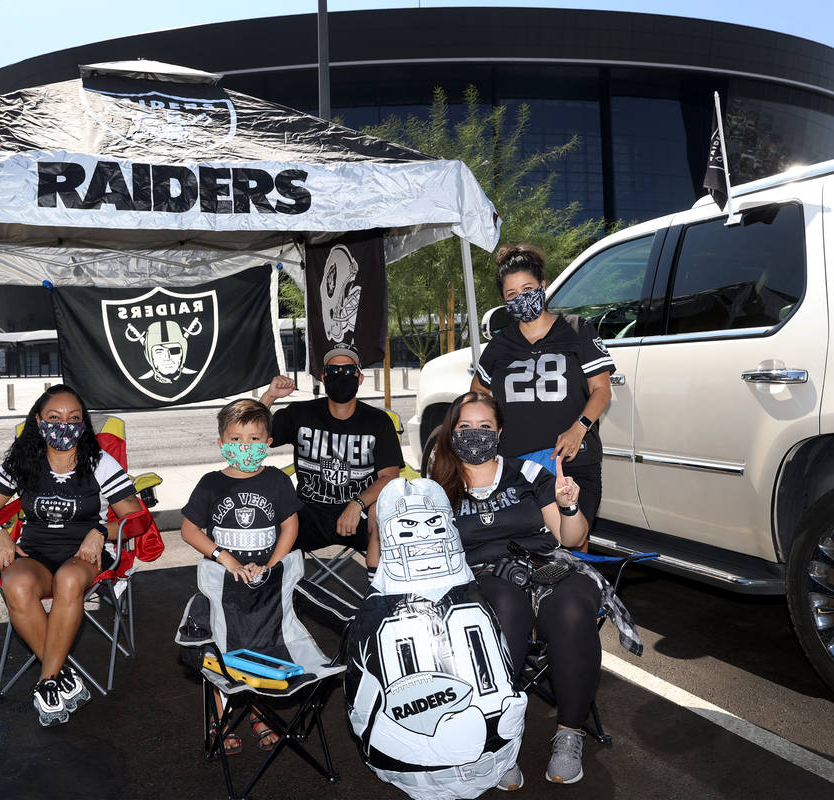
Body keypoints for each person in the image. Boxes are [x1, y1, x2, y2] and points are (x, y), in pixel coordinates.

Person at [431, 391, 601, 788]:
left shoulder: (527, 473)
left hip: (545, 565)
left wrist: (570, 506)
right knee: (503, 605)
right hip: (479, 575)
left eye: (485, 427)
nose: (476, 435)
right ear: (451, 433)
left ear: (500, 431)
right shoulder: (438, 488)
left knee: (573, 605)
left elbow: (570, 538)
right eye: (465, 427)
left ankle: (569, 733)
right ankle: (497, 742)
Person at [0, 385, 142, 727]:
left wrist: (103, 530)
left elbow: (135, 519)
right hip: (35, 553)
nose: (65, 425)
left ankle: (47, 680)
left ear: (84, 424)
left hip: (85, 556)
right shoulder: (22, 462)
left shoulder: (99, 462)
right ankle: (61, 676)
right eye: (55, 418)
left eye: (74, 418)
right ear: (38, 421)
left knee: (69, 579)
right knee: (15, 582)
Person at [470, 243, 614, 545]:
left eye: (527, 288)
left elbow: (601, 390)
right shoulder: (499, 346)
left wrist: (579, 429)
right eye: (511, 295)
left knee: (574, 544)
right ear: (504, 302)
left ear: (543, 287)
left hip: (572, 461)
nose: (521, 298)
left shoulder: (577, 330)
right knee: (530, 549)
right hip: (517, 468)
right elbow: (477, 397)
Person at [180, 398, 301, 753]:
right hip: (223, 588)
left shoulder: (277, 481)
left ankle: (259, 712)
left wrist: (271, 565)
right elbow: (189, 530)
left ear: (268, 444)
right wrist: (224, 558)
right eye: (235, 439)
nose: (244, 447)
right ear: (221, 444)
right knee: (220, 650)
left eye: (253, 439)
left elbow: (290, 527)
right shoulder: (210, 484)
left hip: (265, 589)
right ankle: (221, 715)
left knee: (262, 649)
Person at [260, 347, 402, 569]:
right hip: (308, 514)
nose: (340, 374)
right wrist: (270, 397)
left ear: (360, 378)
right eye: (333, 371)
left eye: (348, 370)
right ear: (324, 378)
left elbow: (390, 476)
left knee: (383, 512)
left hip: (360, 513)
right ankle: (284, 591)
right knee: (274, 514)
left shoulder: (378, 421)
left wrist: (357, 504)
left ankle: (380, 592)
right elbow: (253, 438)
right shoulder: (300, 413)